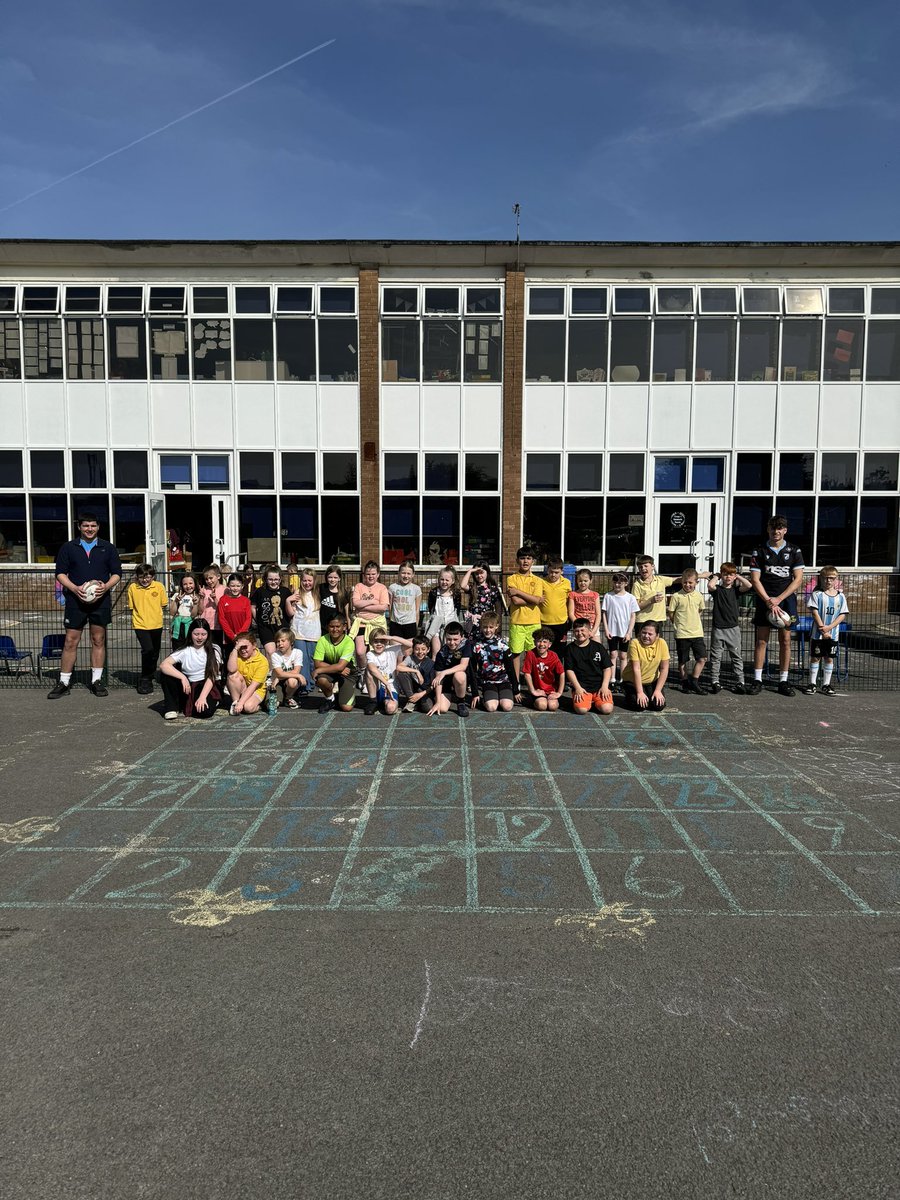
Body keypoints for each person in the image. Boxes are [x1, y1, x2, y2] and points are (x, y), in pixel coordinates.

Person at [48, 510, 122, 699]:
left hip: (100, 601)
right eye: (86, 525)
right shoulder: (68, 547)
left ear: (98, 527)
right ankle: (64, 682)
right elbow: (60, 573)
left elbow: (116, 574)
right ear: (79, 527)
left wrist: (105, 587)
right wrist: (74, 588)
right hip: (75, 601)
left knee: (98, 640)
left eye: (93, 525)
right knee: (71, 641)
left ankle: (96, 681)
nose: (90, 529)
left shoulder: (108, 548)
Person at [748, 515, 805, 697]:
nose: (776, 531)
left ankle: (783, 681)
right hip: (765, 600)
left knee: (785, 641)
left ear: (785, 530)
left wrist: (779, 599)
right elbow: (755, 580)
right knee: (761, 641)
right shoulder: (759, 551)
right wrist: (768, 600)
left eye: (780, 528)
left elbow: (798, 580)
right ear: (768, 529)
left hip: (786, 601)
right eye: (773, 528)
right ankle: (757, 680)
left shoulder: (794, 551)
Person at [159, 617, 222, 720]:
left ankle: (213, 701)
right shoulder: (185, 650)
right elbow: (164, 665)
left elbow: (212, 676)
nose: (200, 638)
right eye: (196, 634)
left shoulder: (214, 649)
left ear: (208, 635)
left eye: (203, 634)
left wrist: (202, 697)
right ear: (190, 633)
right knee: (167, 674)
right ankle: (171, 708)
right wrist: (182, 677)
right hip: (188, 684)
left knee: (204, 712)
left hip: (206, 684)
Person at [802, 566, 849, 697]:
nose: (828, 581)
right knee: (816, 657)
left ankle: (826, 684)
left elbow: (842, 614)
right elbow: (814, 612)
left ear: (836, 579)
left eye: (832, 578)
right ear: (821, 579)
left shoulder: (841, 597)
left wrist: (830, 627)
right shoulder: (817, 594)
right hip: (818, 633)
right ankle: (812, 683)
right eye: (826, 578)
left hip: (833, 634)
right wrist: (823, 629)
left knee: (829, 658)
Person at [707, 563, 752, 694]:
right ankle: (715, 681)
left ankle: (740, 681)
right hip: (718, 628)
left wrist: (738, 576)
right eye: (725, 574)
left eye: (731, 574)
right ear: (722, 575)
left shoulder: (736, 590)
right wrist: (716, 576)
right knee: (716, 657)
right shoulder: (717, 590)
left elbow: (749, 585)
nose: (728, 577)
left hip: (733, 629)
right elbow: (710, 585)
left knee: (736, 656)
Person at [127, 563, 168, 695]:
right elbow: (132, 606)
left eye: (148, 577)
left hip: (156, 624)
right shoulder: (133, 588)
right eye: (142, 577)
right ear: (137, 577)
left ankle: (151, 674)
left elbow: (163, 604)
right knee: (148, 650)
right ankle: (145, 677)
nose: (145, 580)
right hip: (140, 624)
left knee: (155, 652)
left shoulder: (159, 587)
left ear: (153, 577)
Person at [506, 546, 545, 684]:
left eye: (529, 558)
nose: (525, 561)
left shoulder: (539, 581)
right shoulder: (512, 579)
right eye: (522, 558)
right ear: (517, 560)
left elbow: (537, 601)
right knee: (516, 654)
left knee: (533, 654)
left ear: (533, 561)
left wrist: (519, 592)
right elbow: (515, 601)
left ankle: (533, 682)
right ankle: (515, 683)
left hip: (534, 622)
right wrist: (532, 599)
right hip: (517, 622)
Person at [668, 568, 708, 694]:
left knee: (702, 658)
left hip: (697, 633)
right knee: (683, 660)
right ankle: (685, 682)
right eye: (685, 582)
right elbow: (671, 613)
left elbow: (700, 610)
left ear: (696, 582)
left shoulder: (699, 596)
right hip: (682, 634)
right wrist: (679, 624)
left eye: (690, 582)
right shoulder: (676, 596)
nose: (687, 585)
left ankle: (694, 681)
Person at [564, 618, 614, 715]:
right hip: (582, 687)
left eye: (583, 630)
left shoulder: (598, 647)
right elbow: (569, 670)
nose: (580, 633)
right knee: (581, 710)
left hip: (599, 686)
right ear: (573, 632)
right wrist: (577, 688)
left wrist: (604, 686)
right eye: (577, 631)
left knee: (607, 709)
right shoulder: (570, 649)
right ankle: (587, 701)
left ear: (590, 631)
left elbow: (607, 668)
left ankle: (595, 701)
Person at [470, 610, 517, 712]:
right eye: (485, 627)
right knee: (491, 707)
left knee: (507, 707)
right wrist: (475, 693)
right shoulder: (477, 645)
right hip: (487, 682)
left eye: (491, 627)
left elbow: (510, 668)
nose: (487, 630)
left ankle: (500, 697)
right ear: (481, 627)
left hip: (503, 681)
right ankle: (487, 699)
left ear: (496, 627)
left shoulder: (503, 645)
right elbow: (472, 670)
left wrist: (516, 690)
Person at [601, 571, 640, 689]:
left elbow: (633, 616)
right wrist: (606, 629)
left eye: (620, 582)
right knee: (612, 654)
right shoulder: (608, 596)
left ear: (626, 583)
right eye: (615, 582)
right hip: (612, 631)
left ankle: (623, 679)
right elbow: (604, 613)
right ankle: (612, 679)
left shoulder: (630, 598)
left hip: (624, 632)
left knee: (623, 655)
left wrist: (629, 632)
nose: (617, 585)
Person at [313, 614, 357, 715]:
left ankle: (341, 696)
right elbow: (317, 663)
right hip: (332, 671)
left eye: (338, 626)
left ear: (344, 627)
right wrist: (338, 668)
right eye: (332, 626)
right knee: (321, 680)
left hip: (347, 672)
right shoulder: (322, 640)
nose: (334, 629)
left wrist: (319, 670)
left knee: (347, 708)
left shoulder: (349, 642)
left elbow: (341, 666)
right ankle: (330, 699)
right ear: (328, 627)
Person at [621, 621, 670, 712]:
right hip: (632, 681)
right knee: (640, 706)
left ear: (657, 635)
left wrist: (658, 690)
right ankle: (628, 693)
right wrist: (640, 692)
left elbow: (664, 668)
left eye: (650, 634)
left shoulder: (662, 643)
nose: (646, 636)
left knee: (658, 706)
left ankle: (648, 693)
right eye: (644, 632)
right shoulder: (635, 643)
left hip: (651, 681)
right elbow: (636, 669)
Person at [428, 621, 473, 718]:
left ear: (461, 637)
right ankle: (451, 695)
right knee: (442, 708)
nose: (452, 642)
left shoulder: (466, 644)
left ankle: (461, 702)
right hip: (447, 683)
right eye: (448, 639)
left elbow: (463, 666)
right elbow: (438, 679)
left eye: (455, 639)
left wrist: (444, 672)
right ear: (445, 638)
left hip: (460, 679)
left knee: (459, 675)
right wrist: (438, 702)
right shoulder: (441, 653)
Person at [350, 561, 390, 669]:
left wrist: (362, 606)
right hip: (361, 622)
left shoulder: (382, 588)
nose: (370, 576)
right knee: (360, 652)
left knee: (376, 652)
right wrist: (373, 602)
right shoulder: (359, 586)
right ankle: (363, 672)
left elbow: (383, 607)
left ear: (378, 574)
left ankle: (375, 673)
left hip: (377, 622)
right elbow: (355, 603)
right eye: (368, 574)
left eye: (373, 574)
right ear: (364, 575)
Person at [287, 568, 320, 695]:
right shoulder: (297, 593)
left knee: (312, 660)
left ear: (314, 581)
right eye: (304, 580)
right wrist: (288, 601)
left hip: (314, 631)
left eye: (309, 581)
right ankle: (304, 685)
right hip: (299, 630)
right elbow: (291, 613)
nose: (307, 583)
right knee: (303, 659)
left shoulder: (317, 593)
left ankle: (311, 683)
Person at [364, 629, 413, 716]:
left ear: (386, 642)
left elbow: (410, 644)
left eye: (382, 641)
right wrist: (386, 683)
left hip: (392, 687)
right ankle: (373, 701)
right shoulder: (370, 654)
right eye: (376, 642)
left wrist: (391, 637)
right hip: (378, 687)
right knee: (369, 670)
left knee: (390, 709)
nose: (379, 644)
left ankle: (385, 702)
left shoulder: (392, 650)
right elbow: (372, 668)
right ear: (371, 643)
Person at [252, 563, 291, 657]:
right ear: (265, 579)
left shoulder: (285, 591)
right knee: (271, 653)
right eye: (270, 579)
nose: (273, 582)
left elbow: (291, 606)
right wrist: (257, 619)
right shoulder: (260, 591)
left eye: (276, 579)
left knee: (283, 653)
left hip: (282, 626)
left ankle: (281, 671)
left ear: (280, 579)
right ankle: (273, 671)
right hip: (265, 627)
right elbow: (252, 606)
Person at [521, 628, 565, 711]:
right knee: (542, 706)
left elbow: (561, 673)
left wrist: (559, 692)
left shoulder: (553, 656)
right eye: (539, 641)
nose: (541, 644)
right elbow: (527, 673)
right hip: (538, 690)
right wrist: (532, 691)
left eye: (545, 641)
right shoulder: (531, 654)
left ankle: (549, 699)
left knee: (553, 706)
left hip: (551, 690)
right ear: (534, 642)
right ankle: (534, 701)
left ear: (550, 644)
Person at [631, 555, 676, 637]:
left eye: (645, 566)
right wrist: (651, 601)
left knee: (657, 647)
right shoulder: (637, 585)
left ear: (652, 567)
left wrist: (702, 575)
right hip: (642, 621)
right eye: (640, 567)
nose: (643, 568)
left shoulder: (661, 580)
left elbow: (678, 579)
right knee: (642, 647)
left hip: (657, 620)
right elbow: (635, 606)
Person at [226, 631, 269, 715]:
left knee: (248, 708)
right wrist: (235, 649)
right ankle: (235, 702)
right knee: (232, 675)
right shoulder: (236, 654)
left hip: (256, 690)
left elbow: (253, 685)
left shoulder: (262, 661)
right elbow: (231, 669)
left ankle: (259, 705)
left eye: (245, 647)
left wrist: (242, 703)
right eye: (240, 647)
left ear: (254, 645)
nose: (242, 650)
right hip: (243, 687)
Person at [425, 566, 464, 657]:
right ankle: (435, 670)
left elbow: (457, 609)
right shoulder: (434, 592)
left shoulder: (456, 593)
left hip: (450, 623)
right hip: (436, 625)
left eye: (447, 580)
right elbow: (431, 607)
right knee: (436, 652)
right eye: (442, 579)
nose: (444, 582)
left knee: (451, 651)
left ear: (453, 581)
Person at [460, 560, 504, 638]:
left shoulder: (493, 589)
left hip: (487, 623)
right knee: (472, 645)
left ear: (487, 572)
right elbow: (463, 585)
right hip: (473, 622)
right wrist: (470, 571)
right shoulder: (472, 587)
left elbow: (498, 609)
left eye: (482, 573)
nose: (479, 576)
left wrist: (498, 627)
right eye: (476, 573)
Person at [539, 556, 571, 657]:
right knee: (545, 650)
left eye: (556, 572)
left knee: (560, 651)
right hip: (544, 622)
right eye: (551, 572)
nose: (553, 575)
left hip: (561, 622)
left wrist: (569, 618)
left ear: (561, 571)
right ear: (547, 570)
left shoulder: (566, 583)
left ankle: (559, 672)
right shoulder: (541, 582)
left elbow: (569, 601)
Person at [218, 573, 252, 665]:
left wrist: (240, 635)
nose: (235, 588)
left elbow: (248, 619)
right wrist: (232, 636)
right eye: (232, 586)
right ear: (228, 586)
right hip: (229, 638)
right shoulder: (223, 600)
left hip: (243, 637)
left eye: (238, 586)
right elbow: (222, 619)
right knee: (229, 662)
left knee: (244, 661)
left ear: (242, 586)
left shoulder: (246, 601)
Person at [396, 636, 436, 713]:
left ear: (428, 650)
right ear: (413, 649)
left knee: (427, 708)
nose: (420, 652)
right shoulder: (410, 658)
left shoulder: (431, 664)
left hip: (425, 691)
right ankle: (412, 701)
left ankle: (416, 702)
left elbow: (433, 686)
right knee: (402, 674)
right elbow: (398, 667)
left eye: (423, 649)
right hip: (414, 687)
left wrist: (420, 695)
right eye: (417, 649)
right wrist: (416, 671)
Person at [269, 627, 307, 709]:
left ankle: (288, 698)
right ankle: (280, 698)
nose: (280, 643)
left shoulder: (298, 653)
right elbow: (279, 673)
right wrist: (299, 676)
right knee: (273, 705)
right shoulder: (275, 655)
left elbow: (296, 671)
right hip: (277, 683)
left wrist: (279, 677)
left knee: (292, 681)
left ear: (291, 642)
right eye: (278, 641)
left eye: (283, 641)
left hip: (284, 680)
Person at [388, 559, 422, 641]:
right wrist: (391, 622)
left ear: (413, 574)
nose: (406, 576)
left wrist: (416, 625)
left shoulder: (416, 589)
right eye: (403, 573)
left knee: (408, 651)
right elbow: (390, 607)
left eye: (408, 573)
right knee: (395, 651)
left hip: (410, 623)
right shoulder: (392, 587)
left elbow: (417, 609)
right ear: (399, 573)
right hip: (395, 624)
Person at [169, 571, 199, 649]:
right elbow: (172, 612)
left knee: (190, 649)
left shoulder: (198, 596)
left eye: (190, 583)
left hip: (191, 625)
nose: (188, 586)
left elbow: (193, 615)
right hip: (178, 626)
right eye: (185, 584)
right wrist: (176, 601)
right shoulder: (177, 595)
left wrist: (195, 603)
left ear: (195, 583)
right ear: (182, 585)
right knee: (177, 650)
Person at [198, 564, 226, 648]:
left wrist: (215, 599)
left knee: (218, 649)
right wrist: (201, 599)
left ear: (218, 576)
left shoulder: (225, 590)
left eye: (211, 578)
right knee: (206, 649)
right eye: (206, 579)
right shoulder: (203, 590)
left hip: (219, 625)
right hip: (205, 625)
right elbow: (200, 611)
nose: (209, 581)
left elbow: (224, 609)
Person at [568, 569, 601, 637]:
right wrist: (580, 625)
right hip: (579, 627)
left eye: (585, 581)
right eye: (580, 581)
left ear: (590, 581)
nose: (583, 583)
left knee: (596, 646)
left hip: (593, 627)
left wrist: (593, 631)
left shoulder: (595, 595)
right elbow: (571, 613)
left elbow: (598, 614)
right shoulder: (573, 594)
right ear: (577, 581)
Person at [318, 564, 350, 631]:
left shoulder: (343, 592)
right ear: (326, 577)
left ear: (339, 578)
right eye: (330, 577)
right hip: (322, 626)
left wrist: (348, 626)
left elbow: (347, 613)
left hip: (336, 628)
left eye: (335, 577)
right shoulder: (321, 588)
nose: (332, 580)